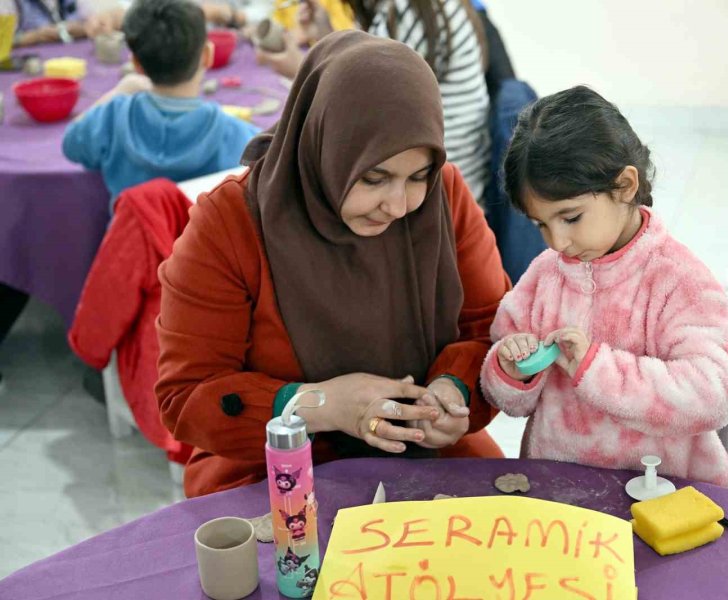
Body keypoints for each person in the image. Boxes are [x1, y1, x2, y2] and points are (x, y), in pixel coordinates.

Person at [155, 30, 510, 497]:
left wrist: (452, 392)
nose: (399, 205)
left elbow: (493, 327)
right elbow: (187, 394)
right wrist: (318, 405)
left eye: (418, 176)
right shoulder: (232, 223)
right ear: (324, 146)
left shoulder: (442, 197)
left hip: (424, 447)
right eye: (373, 177)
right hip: (272, 461)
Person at [480, 86, 728, 487]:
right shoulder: (545, 275)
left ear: (625, 186)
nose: (556, 242)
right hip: (558, 494)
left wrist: (597, 368)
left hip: (660, 500)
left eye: (570, 218)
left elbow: (714, 394)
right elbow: (512, 400)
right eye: (541, 224)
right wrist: (510, 367)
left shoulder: (678, 280)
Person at [258, 0, 491, 203]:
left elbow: (373, 106)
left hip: (441, 184)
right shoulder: (398, 7)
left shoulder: (408, 10)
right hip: (430, 173)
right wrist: (326, 37)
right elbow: (369, 74)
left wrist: (302, 70)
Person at [61, 0, 260, 206]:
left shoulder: (112, 117)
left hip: (134, 237)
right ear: (207, 55)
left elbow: (71, 143)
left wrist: (121, 90)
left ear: (136, 63)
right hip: (203, 238)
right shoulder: (236, 134)